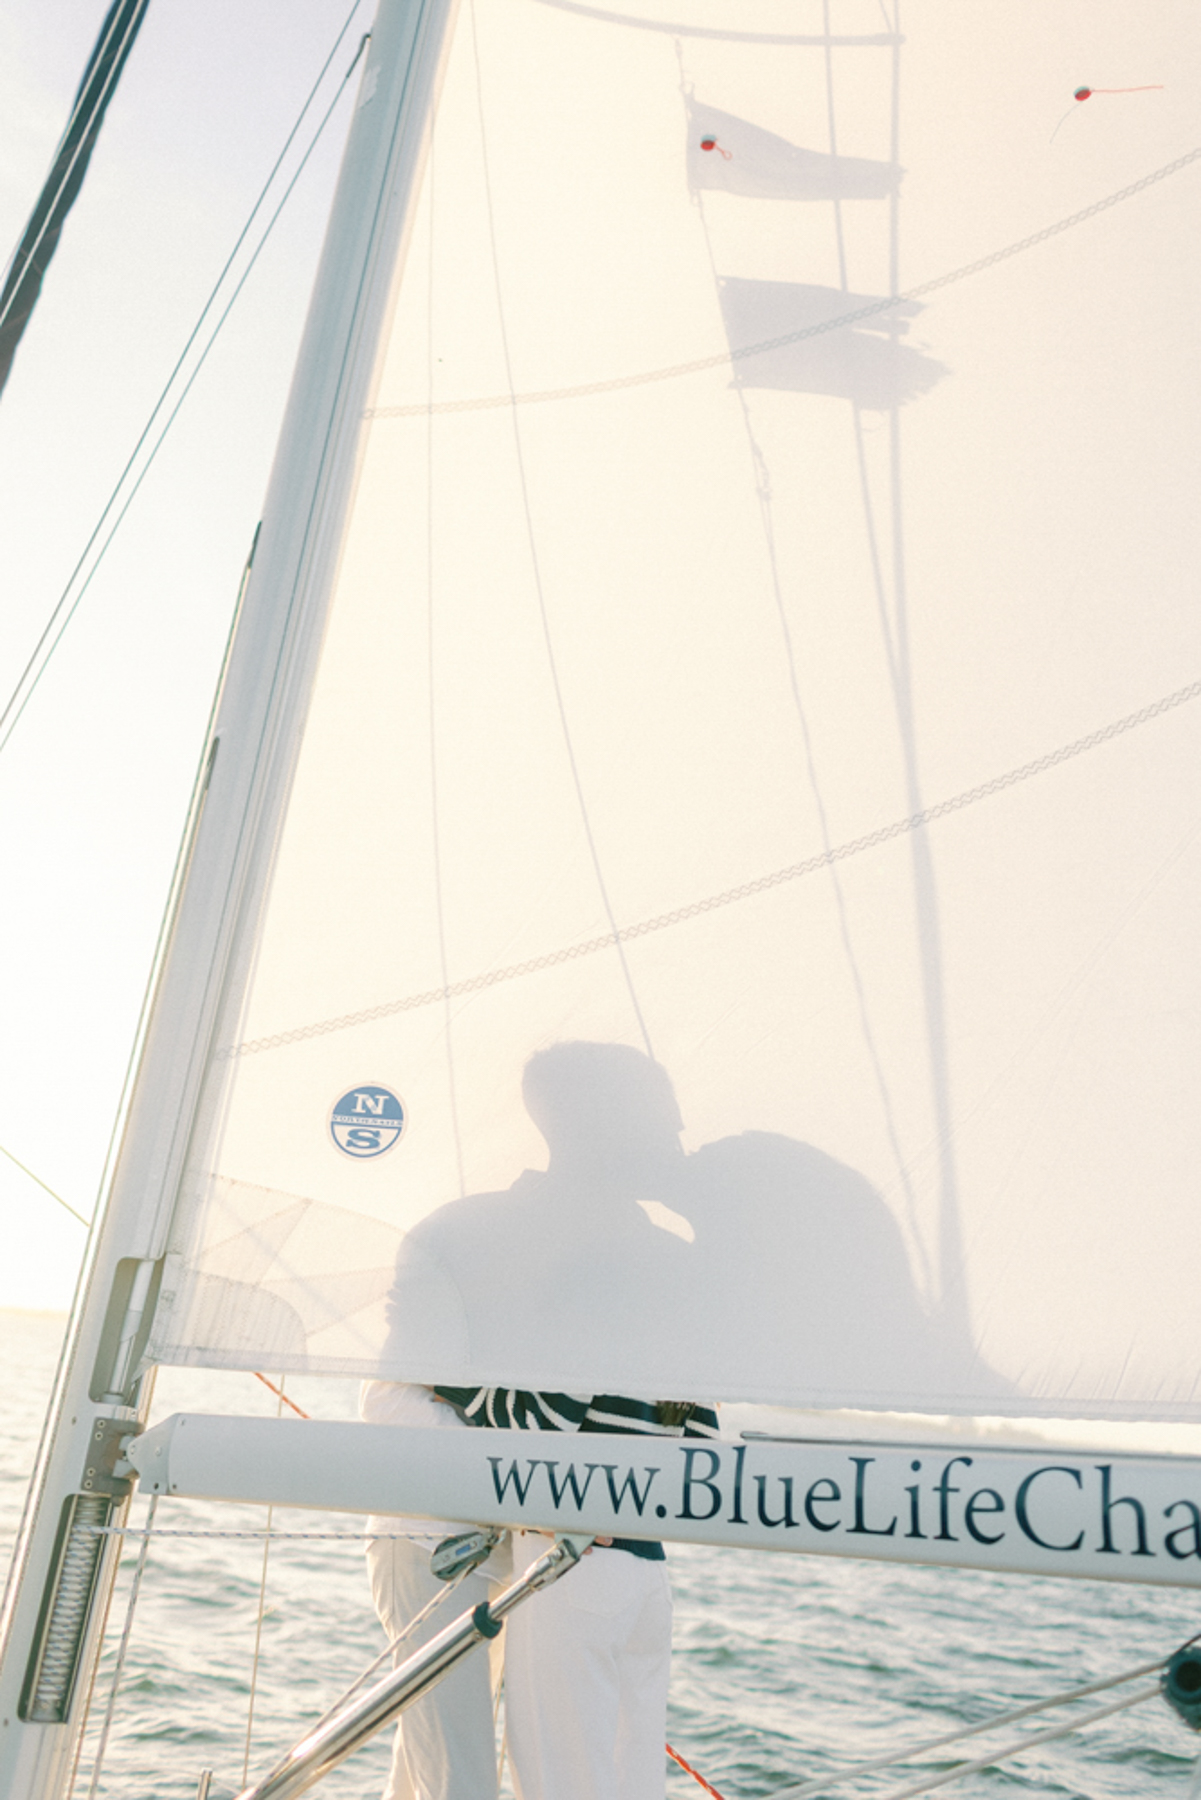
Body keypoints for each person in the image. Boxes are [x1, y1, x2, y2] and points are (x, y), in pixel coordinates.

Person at [437, 1384, 719, 1800]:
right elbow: (701, 1448)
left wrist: (445, 1380)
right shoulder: (676, 1338)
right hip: (646, 1577)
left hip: (575, 1565)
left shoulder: (595, 1323)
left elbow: (538, 1425)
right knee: (634, 1781)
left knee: (559, 1779)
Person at [359, 1378, 510, 1800]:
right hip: (426, 1549)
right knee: (460, 1776)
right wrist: (506, 1443)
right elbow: (383, 1402)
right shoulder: (420, 1318)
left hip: (499, 1557)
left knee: (424, 1764)